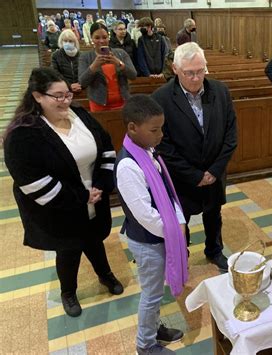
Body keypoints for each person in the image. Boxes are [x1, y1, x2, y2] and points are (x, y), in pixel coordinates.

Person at [3, 67, 124, 318]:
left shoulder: (79, 115)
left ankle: (105, 275)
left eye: (68, 94)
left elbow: (106, 149)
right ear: (37, 96)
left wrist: (101, 184)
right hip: (59, 208)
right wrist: (81, 197)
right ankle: (68, 292)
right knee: (69, 250)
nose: (65, 101)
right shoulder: (23, 134)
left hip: (95, 197)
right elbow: (32, 182)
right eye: (57, 96)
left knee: (94, 240)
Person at [151, 43, 238, 271]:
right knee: (182, 220)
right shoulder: (160, 98)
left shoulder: (220, 91)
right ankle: (182, 255)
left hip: (214, 173)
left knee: (213, 214)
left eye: (201, 70)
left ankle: (214, 250)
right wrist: (194, 175)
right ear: (175, 69)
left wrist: (214, 172)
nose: (196, 77)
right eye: (190, 72)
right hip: (181, 177)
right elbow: (162, 145)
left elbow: (230, 136)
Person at [115, 95, 188, 355]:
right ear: (133, 128)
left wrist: (178, 220)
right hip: (147, 241)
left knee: (156, 291)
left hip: (158, 236)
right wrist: (174, 231)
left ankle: (154, 328)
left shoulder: (146, 151)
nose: (161, 135)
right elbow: (145, 214)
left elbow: (167, 193)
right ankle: (144, 345)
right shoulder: (127, 166)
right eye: (154, 130)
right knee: (152, 294)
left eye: (161, 128)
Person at [78, 22, 137, 112]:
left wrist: (118, 63)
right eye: (97, 38)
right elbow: (82, 82)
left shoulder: (121, 53)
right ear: (92, 38)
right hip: (99, 104)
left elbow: (133, 75)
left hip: (123, 103)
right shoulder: (85, 57)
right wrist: (94, 65)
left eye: (104, 37)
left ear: (108, 37)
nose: (101, 41)